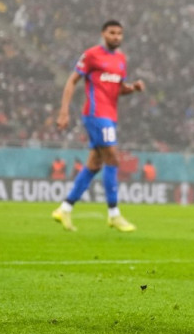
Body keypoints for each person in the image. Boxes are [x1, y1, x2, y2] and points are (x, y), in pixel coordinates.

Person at [51, 20, 145, 233]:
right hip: (96, 114)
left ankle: (64, 209)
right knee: (113, 158)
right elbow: (72, 81)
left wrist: (133, 88)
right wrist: (64, 111)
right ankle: (114, 214)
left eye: (119, 33)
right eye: (112, 33)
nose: (116, 37)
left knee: (94, 164)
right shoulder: (92, 55)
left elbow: (118, 89)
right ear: (103, 33)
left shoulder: (121, 60)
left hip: (110, 115)